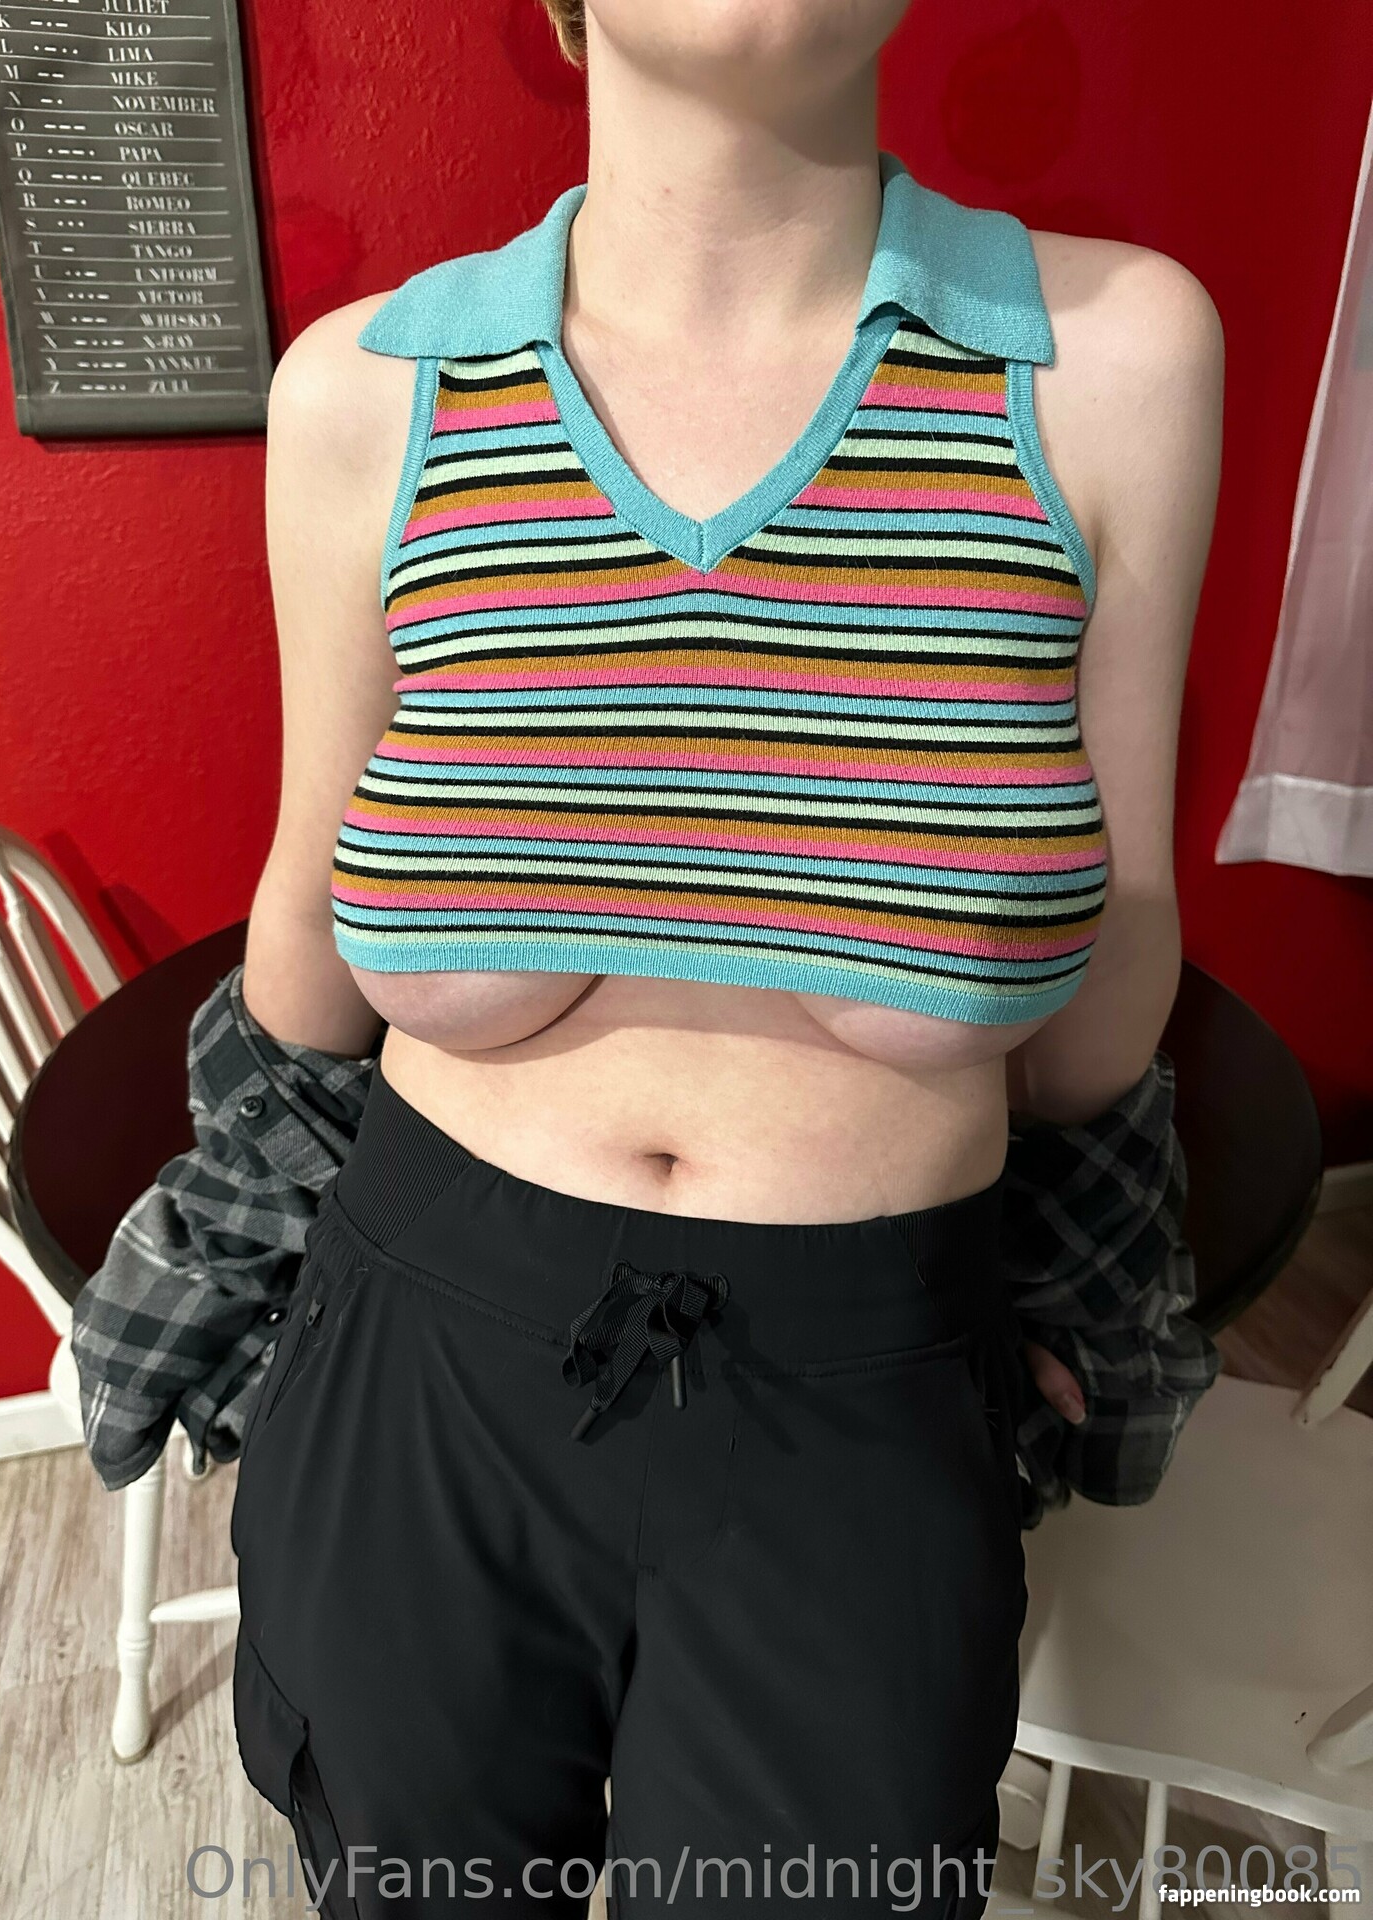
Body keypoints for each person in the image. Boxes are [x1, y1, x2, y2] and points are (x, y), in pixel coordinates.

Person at [226, 1, 1224, 1913]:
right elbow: (308, 912)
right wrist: (237, 1247)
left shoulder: (1110, 357)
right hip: (422, 1346)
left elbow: (1126, 923)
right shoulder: (366, 389)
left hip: (866, 1380)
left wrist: (1067, 1268)